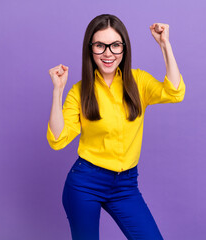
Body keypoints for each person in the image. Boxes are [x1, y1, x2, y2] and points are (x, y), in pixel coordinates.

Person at [46, 14, 185, 240]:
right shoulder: (79, 92)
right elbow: (58, 139)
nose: (108, 53)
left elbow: (175, 92)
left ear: (124, 48)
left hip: (126, 185)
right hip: (85, 184)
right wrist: (58, 91)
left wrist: (164, 44)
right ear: (90, 49)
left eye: (115, 45)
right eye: (100, 45)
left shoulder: (138, 81)